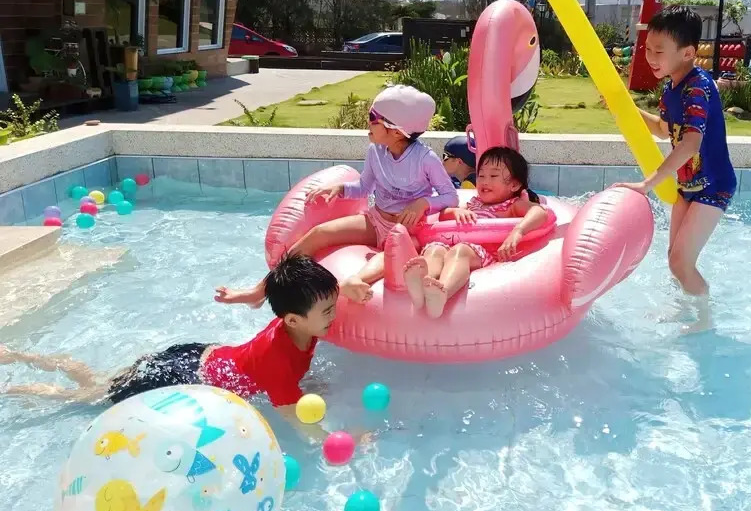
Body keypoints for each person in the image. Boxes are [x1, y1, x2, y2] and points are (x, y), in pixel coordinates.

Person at [0, 255, 338, 415]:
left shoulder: (296, 324)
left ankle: (23, 357)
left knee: (99, 382)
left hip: (200, 356)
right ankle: (15, 386)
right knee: (89, 397)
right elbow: (297, 422)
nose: (334, 316)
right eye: (327, 311)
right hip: (180, 376)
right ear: (293, 320)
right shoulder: (278, 362)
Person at [215, 85, 459, 306]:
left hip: (409, 230)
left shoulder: (425, 159)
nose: (367, 122)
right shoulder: (376, 151)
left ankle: (355, 280)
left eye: (373, 118)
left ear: (396, 131)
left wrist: (423, 202)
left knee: (394, 253)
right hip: (377, 220)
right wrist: (341, 189)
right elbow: (365, 187)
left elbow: (451, 196)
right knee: (318, 234)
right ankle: (260, 291)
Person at [611, 7, 737, 313]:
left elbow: (691, 144)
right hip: (689, 186)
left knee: (681, 263)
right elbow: (662, 129)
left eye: (659, 51)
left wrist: (648, 183)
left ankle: (705, 319)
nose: (650, 57)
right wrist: (626, 109)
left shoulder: (698, 87)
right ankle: (685, 311)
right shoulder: (671, 89)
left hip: (713, 186)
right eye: (647, 49)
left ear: (687, 53)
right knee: (675, 261)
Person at [402, 146, 548, 318]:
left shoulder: (512, 206)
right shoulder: (474, 203)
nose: (484, 181)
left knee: (460, 251)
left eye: (493, 176)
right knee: (435, 249)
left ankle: (443, 292)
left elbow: (540, 212)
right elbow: (443, 215)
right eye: (481, 175)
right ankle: (423, 285)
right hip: (453, 244)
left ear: (514, 185)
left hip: (483, 253)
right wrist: (456, 212)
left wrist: (518, 231)